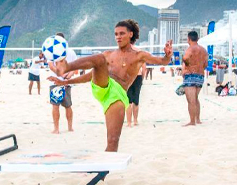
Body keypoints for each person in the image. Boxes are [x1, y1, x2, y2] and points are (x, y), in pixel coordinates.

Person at [50, 20, 173, 152]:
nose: (118, 37)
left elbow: (162, 61)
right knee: (100, 59)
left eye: (121, 33)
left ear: (130, 34)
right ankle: (66, 67)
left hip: (118, 96)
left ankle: (103, 171)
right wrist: (65, 81)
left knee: (113, 140)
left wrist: (167, 55)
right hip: (103, 86)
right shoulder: (109, 55)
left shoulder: (139, 55)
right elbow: (91, 75)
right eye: (116, 34)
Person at [49, 33, 76, 134]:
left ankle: (61, 128)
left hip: (63, 82)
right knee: (62, 105)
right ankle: (64, 128)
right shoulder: (52, 51)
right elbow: (51, 65)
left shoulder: (69, 51)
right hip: (57, 81)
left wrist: (68, 75)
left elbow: (75, 67)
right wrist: (64, 74)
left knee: (65, 105)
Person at [181, 31, 208, 126]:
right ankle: (198, 119)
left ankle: (192, 121)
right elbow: (206, 64)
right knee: (196, 98)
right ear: (197, 39)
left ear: (188, 39)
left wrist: (188, 67)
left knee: (191, 100)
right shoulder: (204, 50)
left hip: (190, 75)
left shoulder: (190, 49)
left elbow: (185, 58)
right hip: (200, 75)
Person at [125, 40, 144, 127]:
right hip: (138, 76)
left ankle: (129, 122)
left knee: (128, 100)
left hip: (128, 77)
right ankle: (135, 121)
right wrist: (142, 78)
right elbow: (144, 68)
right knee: (136, 100)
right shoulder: (138, 51)